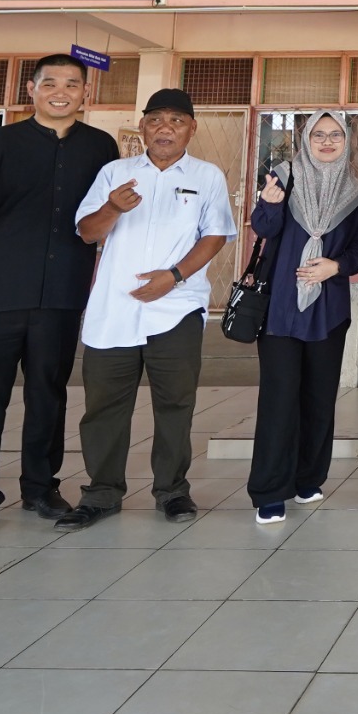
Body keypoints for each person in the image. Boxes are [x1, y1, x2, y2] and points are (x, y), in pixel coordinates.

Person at [0, 53, 121, 538]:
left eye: (72, 83)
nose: (61, 92)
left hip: (61, 293)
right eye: (50, 83)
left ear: (85, 92)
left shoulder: (101, 147)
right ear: (32, 89)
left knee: (48, 396)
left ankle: (40, 488)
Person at [67, 89, 235, 528]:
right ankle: (102, 493)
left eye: (176, 121)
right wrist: (112, 207)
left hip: (176, 308)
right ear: (142, 126)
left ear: (191, 129)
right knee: (103, 406)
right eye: (156, 120)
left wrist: (173, 277)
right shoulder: (115, 173)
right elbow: (86, 232)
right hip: (115, 308)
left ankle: (173, 492)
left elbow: (215, 235)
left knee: (175, 403)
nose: (165, 128)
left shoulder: (206, 175)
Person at [248, 112, 358, 523]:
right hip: (281, 307)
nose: (326, 141)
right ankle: (270, 491)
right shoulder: (284, 177)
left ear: (346, 140)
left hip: (328, 309)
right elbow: (264, 229)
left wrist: (336, 266)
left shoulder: (355, 193)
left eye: (335, 134)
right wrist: (269, 205)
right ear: (305, 139)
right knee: (279, 399)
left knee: (319, 399)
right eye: (318, 134)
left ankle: (307, 479)